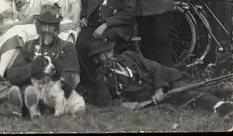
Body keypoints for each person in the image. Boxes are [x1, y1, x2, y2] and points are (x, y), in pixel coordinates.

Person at [88, 37, 233, 118]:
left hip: (166, 78)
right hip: (151, 98)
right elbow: (106, 102)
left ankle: (223, 108)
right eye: (103, 54)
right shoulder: (102, 78)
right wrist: (128, 105)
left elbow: (155, 68)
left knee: (186, 91)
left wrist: (159, 89)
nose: (108, 56)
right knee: (188, 99)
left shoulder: (128, 56)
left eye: (109, 51)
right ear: (96, 59)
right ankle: (218, 97)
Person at [6, 4, 86, 118]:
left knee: (61, 95)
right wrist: (31, 69)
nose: (47, 30)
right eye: (44, 26)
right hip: (34, 89)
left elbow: (73, 75)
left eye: (51, 26)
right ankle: (25, 104)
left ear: (57, 28)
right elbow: (12, 73)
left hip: (56, 91)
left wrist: (56, 80)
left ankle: (32, 107)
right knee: (25, 89)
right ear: (38, 27)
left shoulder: (66, 47)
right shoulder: (29, 46)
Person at [77, 0, 136, 93]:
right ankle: (88, 84)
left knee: (98, 45)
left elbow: (129, 12)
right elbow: (85, 1)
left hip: (115, 27)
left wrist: (106, 25)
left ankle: (107, 84)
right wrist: (83, 16)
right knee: (80, 44)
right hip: (92, 24)